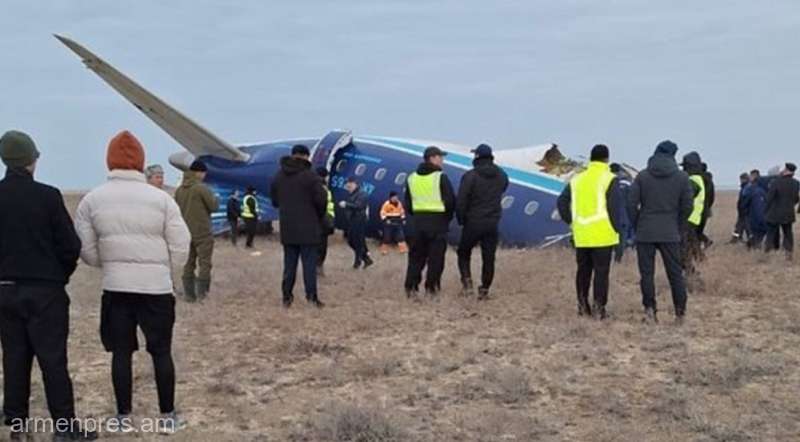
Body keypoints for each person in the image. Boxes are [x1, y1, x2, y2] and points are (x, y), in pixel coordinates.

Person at [74, 130, 190, 434]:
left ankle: (123, 417)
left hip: (116, 288)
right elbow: (181, 244)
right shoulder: (161, 200)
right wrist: (165, 270)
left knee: (121, 353)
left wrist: (110, 264)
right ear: (140, 162)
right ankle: (167, 416)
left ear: (109, 161)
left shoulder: (92, 200)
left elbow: (85, 249)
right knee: (161, 352)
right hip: (156, 289)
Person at [0, 130, 98, 441]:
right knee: (53, 360)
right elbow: (70, 246)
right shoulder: (48, 196)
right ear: (31, 160)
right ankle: (65, 430)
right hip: (45, 292)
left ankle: (17, 427)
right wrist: (59, 276)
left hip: (4, 291)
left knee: (13, 358)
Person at [627, 140, 693, 325]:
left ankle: (650, 312)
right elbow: (688, 205)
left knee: (646, 275)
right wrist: (678, 224)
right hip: (670, 231)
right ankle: (680, 314)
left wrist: (638, 223)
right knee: (675, 274)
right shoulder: (682, 178)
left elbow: (631, 204)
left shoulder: (643, 176)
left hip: (646, 231)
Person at [557, 145, 621, 319]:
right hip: (603, 235)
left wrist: (571, 221)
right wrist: (618, 231)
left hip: (582, 235)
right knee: (601, 273)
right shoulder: (609, 178)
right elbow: (615, 209)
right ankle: (599, 309)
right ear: (606, 159)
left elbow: (562, 202)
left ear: (591, 158)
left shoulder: (577, 180)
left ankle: (582, 307)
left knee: (583, 272)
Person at [270, 145, 328, 308]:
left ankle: (286, 297)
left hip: (288, 227)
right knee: (309, 266)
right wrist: (318, 215)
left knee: (289, 265)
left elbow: (274, 201)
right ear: (305, 156)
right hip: (309, 228)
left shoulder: (278, 177)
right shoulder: (311, 177)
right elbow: (321, 200)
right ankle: (312, 298)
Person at [456, 144, 509, 300]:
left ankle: (467, 284)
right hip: (492, 222)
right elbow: (504, 187)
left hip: (473, 221)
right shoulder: (501, 175)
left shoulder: (470, 176)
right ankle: (484, 289)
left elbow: (462, 200)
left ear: (477, 157)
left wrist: (461, 218)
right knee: (489, 257)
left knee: (463, 252)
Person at [404, 146, 456, 298]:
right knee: (436, 259)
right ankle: (431, 289)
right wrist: (446, 218)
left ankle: (411, 288)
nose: (442, 160)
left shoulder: (412, 178)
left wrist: (416, 215)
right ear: (432, 158)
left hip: (417, 222)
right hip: (437, 223)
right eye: (440, 157)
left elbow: (407, 203)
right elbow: (450, 201)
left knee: (415, 258)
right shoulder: (440, 177)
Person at [174, 160, 218, 302]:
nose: (205, 175)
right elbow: (214, 207)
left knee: (189, 263)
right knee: (205, 263)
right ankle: (202, 295)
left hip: (185, 231)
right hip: (202, 231)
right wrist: (215, 197)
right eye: (204, 173)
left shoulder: (180, 190)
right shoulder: (201, 188)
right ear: (199, 172)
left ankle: (189, 295)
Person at [680, 152, 707, 292]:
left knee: (683, 254)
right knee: (688, 251)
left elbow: (683, 195)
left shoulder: (693, 180)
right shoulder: (698, 178)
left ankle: (693, 281)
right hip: (693, 220)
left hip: (687, 220)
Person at [764, 162, 800, 261]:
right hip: (788, 213)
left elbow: (769, 198)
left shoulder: (776, 182)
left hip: (775, 213)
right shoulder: (796, 183)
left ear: (787, 170)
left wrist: (766, 210)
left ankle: (767, 253)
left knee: (771, 234)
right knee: (788, 233)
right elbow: (796, 199)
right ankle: (789, 253)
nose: (782, 170)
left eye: (784, 169)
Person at [340, 177, 374, 269]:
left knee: (357, 241)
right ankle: (365, 259)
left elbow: (359, 206)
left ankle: (358, 261)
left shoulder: (363, 194)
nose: (348, 187)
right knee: (352, 240)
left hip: (359, 220)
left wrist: (346, 204)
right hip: (353, 220)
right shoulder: (353, 194)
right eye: (348, 186)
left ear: (355, 184)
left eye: (350, 185)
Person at [610, 163, 634, 262]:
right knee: (621, 241)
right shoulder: (627, 184)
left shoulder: (607, 182)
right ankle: (617, 260)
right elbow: (632, 202)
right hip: (623, 217)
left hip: (608, 217)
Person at [741, 170, 768, 249]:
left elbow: (744, 203)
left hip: (753, 215)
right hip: (762, 215)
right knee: (759, 232)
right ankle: (756, 244)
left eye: (751, 176)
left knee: (754, 231)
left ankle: (755, 245)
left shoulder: (750, 190)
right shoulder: (763, 190)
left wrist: (744, 210)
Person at [316, 167, 335, 277]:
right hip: (324, 220)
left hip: (320, 220)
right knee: (321, 245)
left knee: (316, 245)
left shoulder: (315, 187)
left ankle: (316, 266)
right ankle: (318, 266)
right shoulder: (323, 189)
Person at [697, 162, 715, 248]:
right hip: (706, 207)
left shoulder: (700, 179)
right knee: (699, 229)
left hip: (699, 208)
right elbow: (712, 196)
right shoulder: (709, 180)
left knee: (695, 230)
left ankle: (705, 241)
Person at [732, 172, 751, 244]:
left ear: (744, 179)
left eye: (741, 179)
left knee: (746, 226)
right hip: (742, 210)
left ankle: (750, 239)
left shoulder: (746, 187)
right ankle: (736, 238)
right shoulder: (745, 187)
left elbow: (744, 199)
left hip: (744, 210)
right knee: (739, 225)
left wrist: (743, 208)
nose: (740, 181)